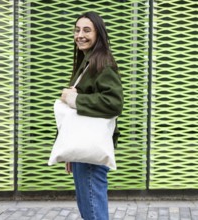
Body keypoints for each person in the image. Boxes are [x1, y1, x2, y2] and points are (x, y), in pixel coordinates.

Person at [60, 12, 123, 220]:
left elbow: (114, 103)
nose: (80, 35)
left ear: (99, 34)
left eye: (87, 30)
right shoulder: (87, 62)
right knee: (88, 207)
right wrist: (68, 149)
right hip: (84, 144)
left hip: (92, 145)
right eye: (77, 30)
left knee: (93, 209)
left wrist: (75, 100)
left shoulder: (102, 63)